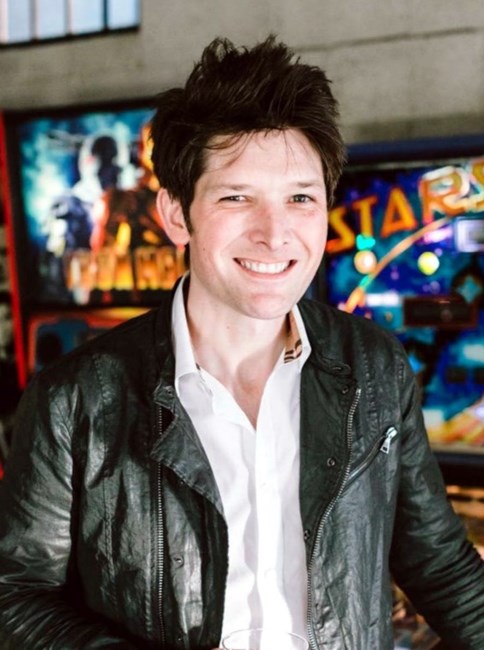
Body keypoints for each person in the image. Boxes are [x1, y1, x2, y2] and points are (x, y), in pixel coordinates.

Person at [0, 35, 483, 650]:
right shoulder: (76, 399)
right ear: (176, 214)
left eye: (300, 198)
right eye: (236, 197)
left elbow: (441, 567)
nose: (275, 234)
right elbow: (15, 593)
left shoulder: (375, 367)